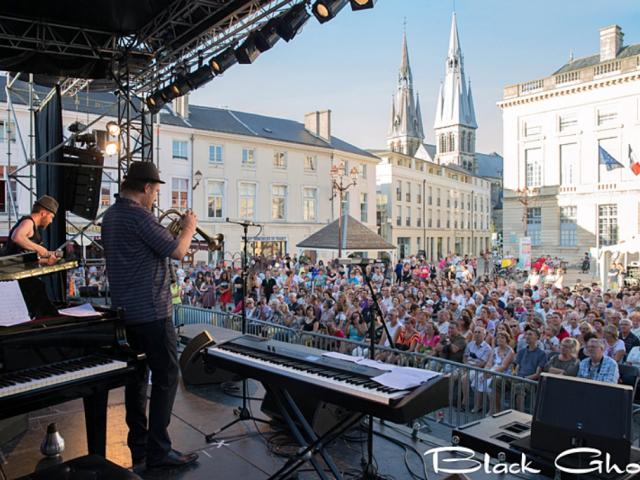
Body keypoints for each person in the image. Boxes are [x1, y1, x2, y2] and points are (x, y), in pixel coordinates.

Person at [102, 162, 199, 471]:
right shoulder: (139, 216)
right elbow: (178, 251)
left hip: (125, 312)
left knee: (138, 379)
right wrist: (188, 228)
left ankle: (140, 446)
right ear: (145, 188)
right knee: (168, 376)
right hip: (152, 312)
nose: (156, 198)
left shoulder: (111, 216)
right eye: (156, 191)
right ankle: (159, 450)